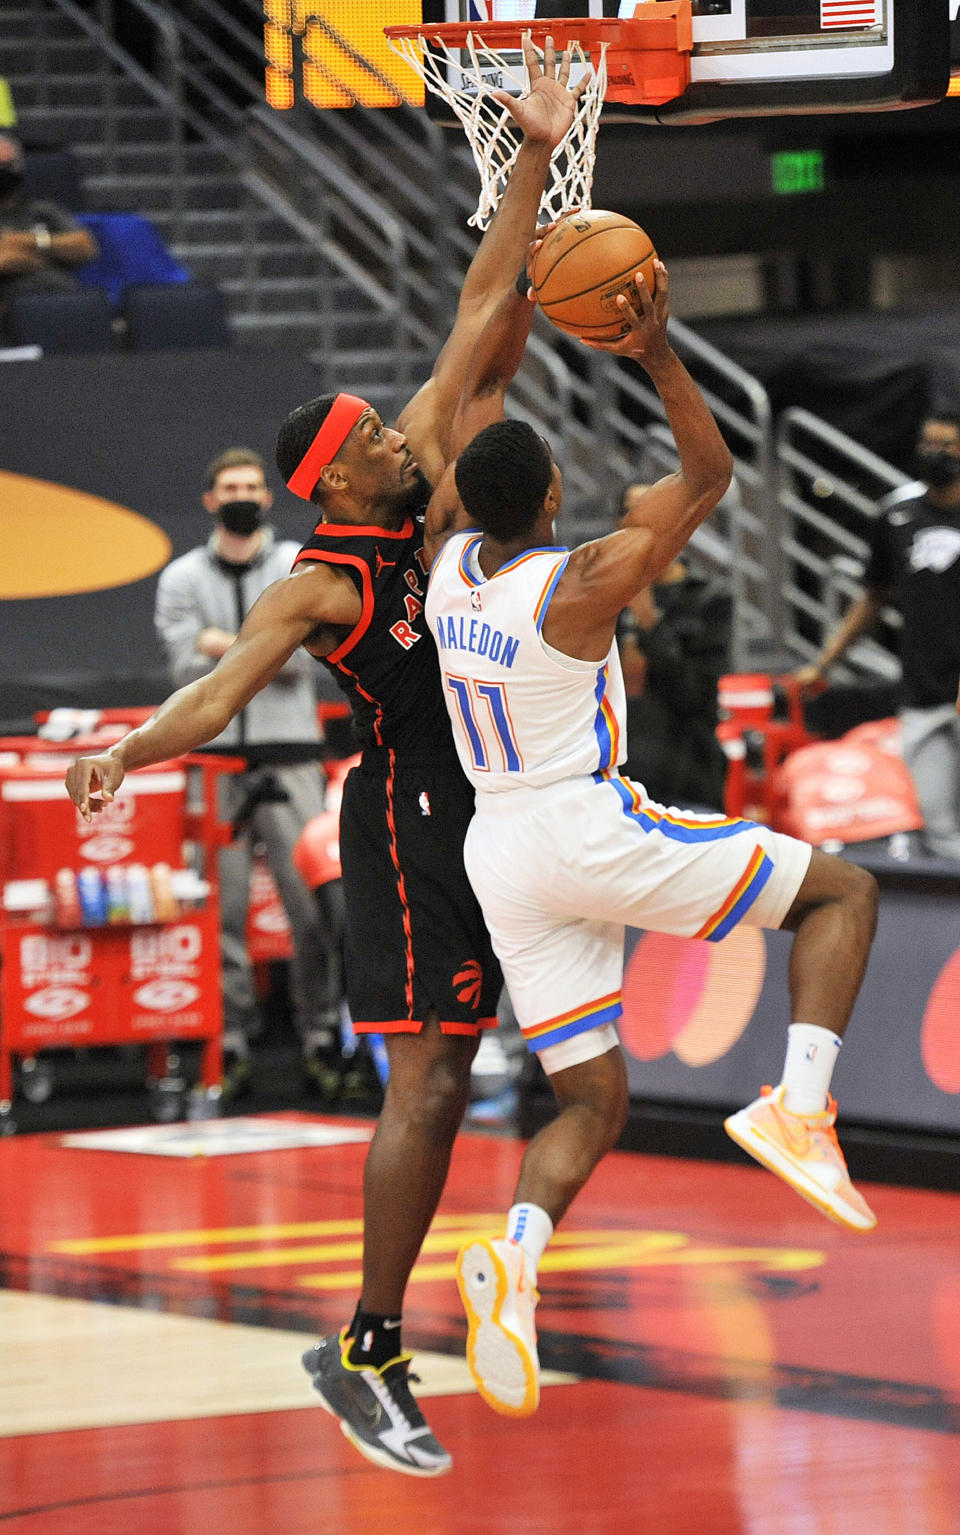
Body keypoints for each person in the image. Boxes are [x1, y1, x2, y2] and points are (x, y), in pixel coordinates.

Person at [64, 35, 584, 1478]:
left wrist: (536, 147)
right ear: (337, 475)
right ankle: (366, 1345)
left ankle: (505, 1259)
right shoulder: (322, 576)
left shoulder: (418, 473)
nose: (399, 424)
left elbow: (485, 309)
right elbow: (222, 693)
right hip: (414, 812)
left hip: (509, 798)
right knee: (425, 1080)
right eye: (373, 432)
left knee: (553, 1062)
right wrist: (125, 746)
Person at [424, 266, 880, 1422]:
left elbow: (474, 389)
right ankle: (799, 1107)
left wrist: (519, 276)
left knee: (591, 1100)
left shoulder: (443, 567)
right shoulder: (577, 584)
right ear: (554, 491)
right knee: (844, 893)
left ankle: (516, 1265)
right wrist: (658, 350)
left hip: (499, 847)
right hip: (583, 818)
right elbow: (713, 477)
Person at [154, 446, 341, 1093]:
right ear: (210, 499)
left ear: (267, 496)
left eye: (252, 485)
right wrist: (268, 640)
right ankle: (227, 1042)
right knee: (220, 911)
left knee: (316, 906)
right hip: (214, 762)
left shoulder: (298, 563)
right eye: (229, 485)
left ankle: (321, 1035)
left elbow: (309, 655)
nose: (241, 494)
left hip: (291, 756)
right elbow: (185, 668)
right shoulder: (181, 577)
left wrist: (223, 643)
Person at [795, 406, 960, 860]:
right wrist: (825, 662)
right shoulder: (897, 515)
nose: (936, 454)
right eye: (929, 443)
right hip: (924, 691)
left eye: (947, 445)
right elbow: (873, 598)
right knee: (940, 828)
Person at [614, 480, 732, 809]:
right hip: (615, 779)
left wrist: (649, 621)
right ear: (618, 523)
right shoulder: (600, 598)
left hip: (686, 774)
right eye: (631, 512)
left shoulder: (709, 598)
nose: (643, 522)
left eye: (655, 511)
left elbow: (695, 694)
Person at [0, 133, 97, 340]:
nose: (3, 173)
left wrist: (24, 240)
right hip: (11, 310)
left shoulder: (43, 210)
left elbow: (85, 246)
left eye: (9, 166)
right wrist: (50, 248)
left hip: (66, 302)